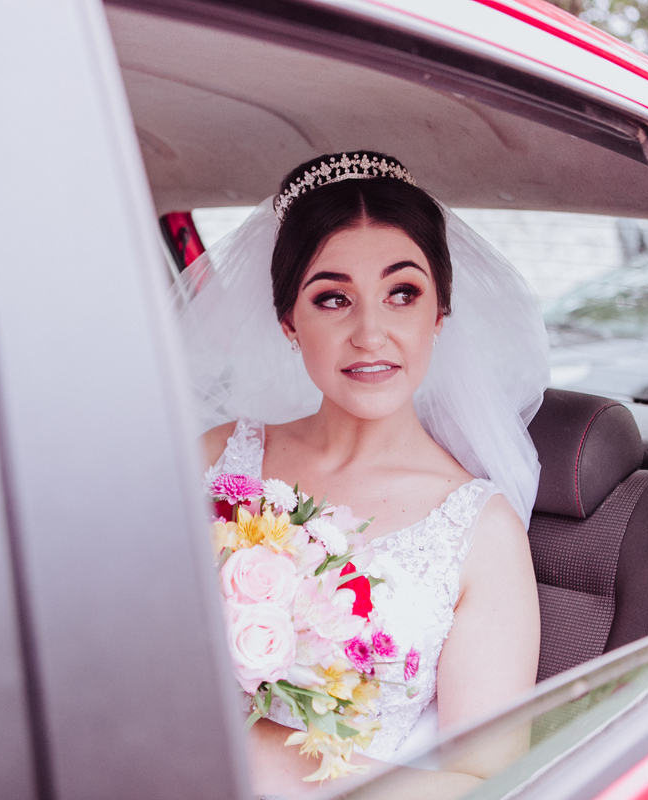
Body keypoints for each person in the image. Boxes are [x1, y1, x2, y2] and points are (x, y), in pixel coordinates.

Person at [178, 152, 547, 798]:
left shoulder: (481, 533)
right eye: (333, 298)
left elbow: (487, 784)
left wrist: (250, 751)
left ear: (439, 314)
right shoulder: (214, 457)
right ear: (289, 322)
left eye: (402, 294)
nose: (371, 333)